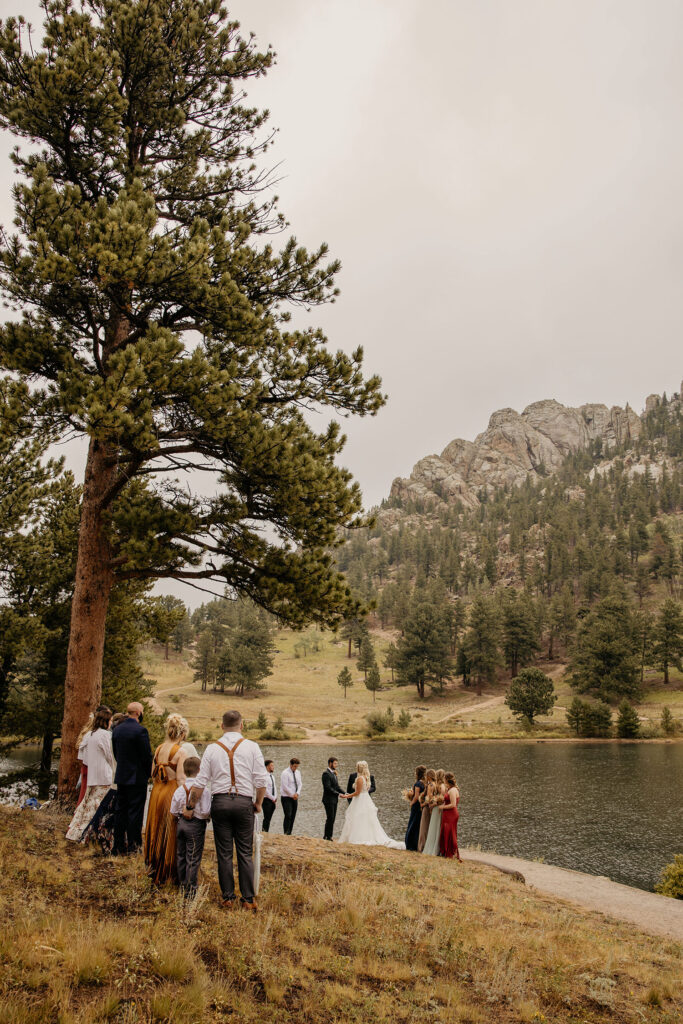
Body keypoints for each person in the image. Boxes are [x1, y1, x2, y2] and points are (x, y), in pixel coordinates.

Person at [186, 709, 267, 909]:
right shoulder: (252, 747)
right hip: (244, 802)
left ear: (222, 726)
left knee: (224, 853)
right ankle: (248, 899)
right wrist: (258, 803)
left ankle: (228, 897)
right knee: (245, 852)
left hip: (220, 803)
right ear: (242, 725)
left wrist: (190, 806)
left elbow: (200, 783)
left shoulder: (212, 749)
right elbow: (261, 781)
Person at [144, 713, 189, 885]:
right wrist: (186, 801)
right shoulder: (181, 751)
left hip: (157, 792)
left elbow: (152, 773)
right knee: (170, 830)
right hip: (171, 791)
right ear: (182, 734)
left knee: (156, 827)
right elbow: (181, 779)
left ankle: (153, 865)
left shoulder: (158, 748)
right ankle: (168, 871)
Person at [81, 713, 127, 854]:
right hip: (112, 779)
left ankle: (93, 835)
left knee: (101, 809)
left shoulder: (95, 735)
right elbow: (111, 758)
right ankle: (102, 837)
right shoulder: (108, 737)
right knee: (108, 812)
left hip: (106, 777)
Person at [66, 706, 113, 841]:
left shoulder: (90, 734)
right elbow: (110, 755)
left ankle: (76, 830)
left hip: (92, 774)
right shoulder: (105, 735)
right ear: (105, 721)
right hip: (104, 775)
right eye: (110, 720)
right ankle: (89, 833)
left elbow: (83, 756)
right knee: (97, 805)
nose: (111, 723)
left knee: (87, 804)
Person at [112, 701, 153, 856]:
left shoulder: (117, 729)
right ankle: (134, 846)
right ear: (138, 713)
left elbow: (116, 753)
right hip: (137, 777)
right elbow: (146, 756)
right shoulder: (140, 731)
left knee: (120, 811)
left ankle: (118, 845)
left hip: (121, 775)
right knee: (135, 812)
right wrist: (148, 773)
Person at [339, 760, 405, 849]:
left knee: (358, 818)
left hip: (360, 800)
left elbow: (357, 792)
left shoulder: (360, 778)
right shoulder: (366, 777)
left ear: (359, 768)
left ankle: (359, 837)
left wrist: (346, 796)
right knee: (364, 818)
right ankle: (365, 835)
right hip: (365, 799)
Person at [170, 756, 211, 898]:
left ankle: (182, 885)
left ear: (184, 771)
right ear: (200, 770)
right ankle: (191, 890)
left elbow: (173, 811)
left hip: (181, 823)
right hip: (196, 825)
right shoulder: (204, 791)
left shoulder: (179, 790)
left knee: (181, 855)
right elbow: (205, 811)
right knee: (193, 858)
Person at [321, 756, 349, 840]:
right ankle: (327, 836)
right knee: (330, 817)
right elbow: (328, 788)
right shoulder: (326, 774)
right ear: (330, 763)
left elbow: (337, 786)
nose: (336, 765)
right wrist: (338, 794)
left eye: (337, 763)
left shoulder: (334, 773)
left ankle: (328, 835)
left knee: (332, 818)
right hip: (328, 799)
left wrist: (344, 793)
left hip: (334, 800)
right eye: (335, 763)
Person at [422, 768, 446, 856]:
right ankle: (434, 847)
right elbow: (439, 798)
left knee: (435, 826)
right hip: (437, 808)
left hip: (437, 808)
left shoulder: (440, 786)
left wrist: (433, 804)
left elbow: (442, 799)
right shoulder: (438, 785)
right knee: (434, 826)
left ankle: (434, 847)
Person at [440, 771, 461, 861]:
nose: (443, 780)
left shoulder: (453, 790)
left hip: (451, 814)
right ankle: (446, 852)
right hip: (447, 814)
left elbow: (453, 804)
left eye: (444, 778)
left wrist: (442, 807)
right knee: (446, 832)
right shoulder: (449, 789)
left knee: (450, 833)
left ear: (447, 779)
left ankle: (451, 853)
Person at [404, 765, 426, 851]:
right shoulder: (425, 783)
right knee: (418, 824)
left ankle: (411, 844)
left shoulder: (418, 784)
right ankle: (417, 843)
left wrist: (411, 803)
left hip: (416, 806)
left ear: (417, 773)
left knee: (413, 823)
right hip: (421, 806)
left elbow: (416, 796)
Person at [74, 713, 94, 807]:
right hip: (90, 767)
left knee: (83, 791)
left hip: (85, 766)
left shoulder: (86, 734)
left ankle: (80, 809)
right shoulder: (91, 735)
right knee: (86, 792)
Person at [280, 757, 302, 835]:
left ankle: (290, 832)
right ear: (291, 765)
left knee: (293, 815)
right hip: (286, 797)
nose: (296, 768)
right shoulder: (285, 773)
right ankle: (286, 832)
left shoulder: (298, 772)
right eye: (295, 766)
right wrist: (292, 794)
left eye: (297, 766)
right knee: (288, 815)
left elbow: (300, 784)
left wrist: (297, 793)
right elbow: (285, 787)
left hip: (295, 796)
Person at [418, 768, 437, 853]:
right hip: (432, 809)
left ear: (429, 776)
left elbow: (429, 798)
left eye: (426, 775)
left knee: (423, 828)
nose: (425, 777)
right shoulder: (435, 784)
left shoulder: (430, 785)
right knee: (429, 827)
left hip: (427, 808)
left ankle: (422, 847)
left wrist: (423, 804)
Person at [262, 759, 277, 832]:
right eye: (271, 765)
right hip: (266, 800)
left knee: (269, 818)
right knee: (266, 818)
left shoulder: (272, 777)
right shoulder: (264, 776)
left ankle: (266, 831)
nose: (273, 767)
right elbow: (265, 790)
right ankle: (264, 832)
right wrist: (272, 798)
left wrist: (275, 797)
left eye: (273, 765)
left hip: (272, 800)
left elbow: (274, 787)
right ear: (267, 766)